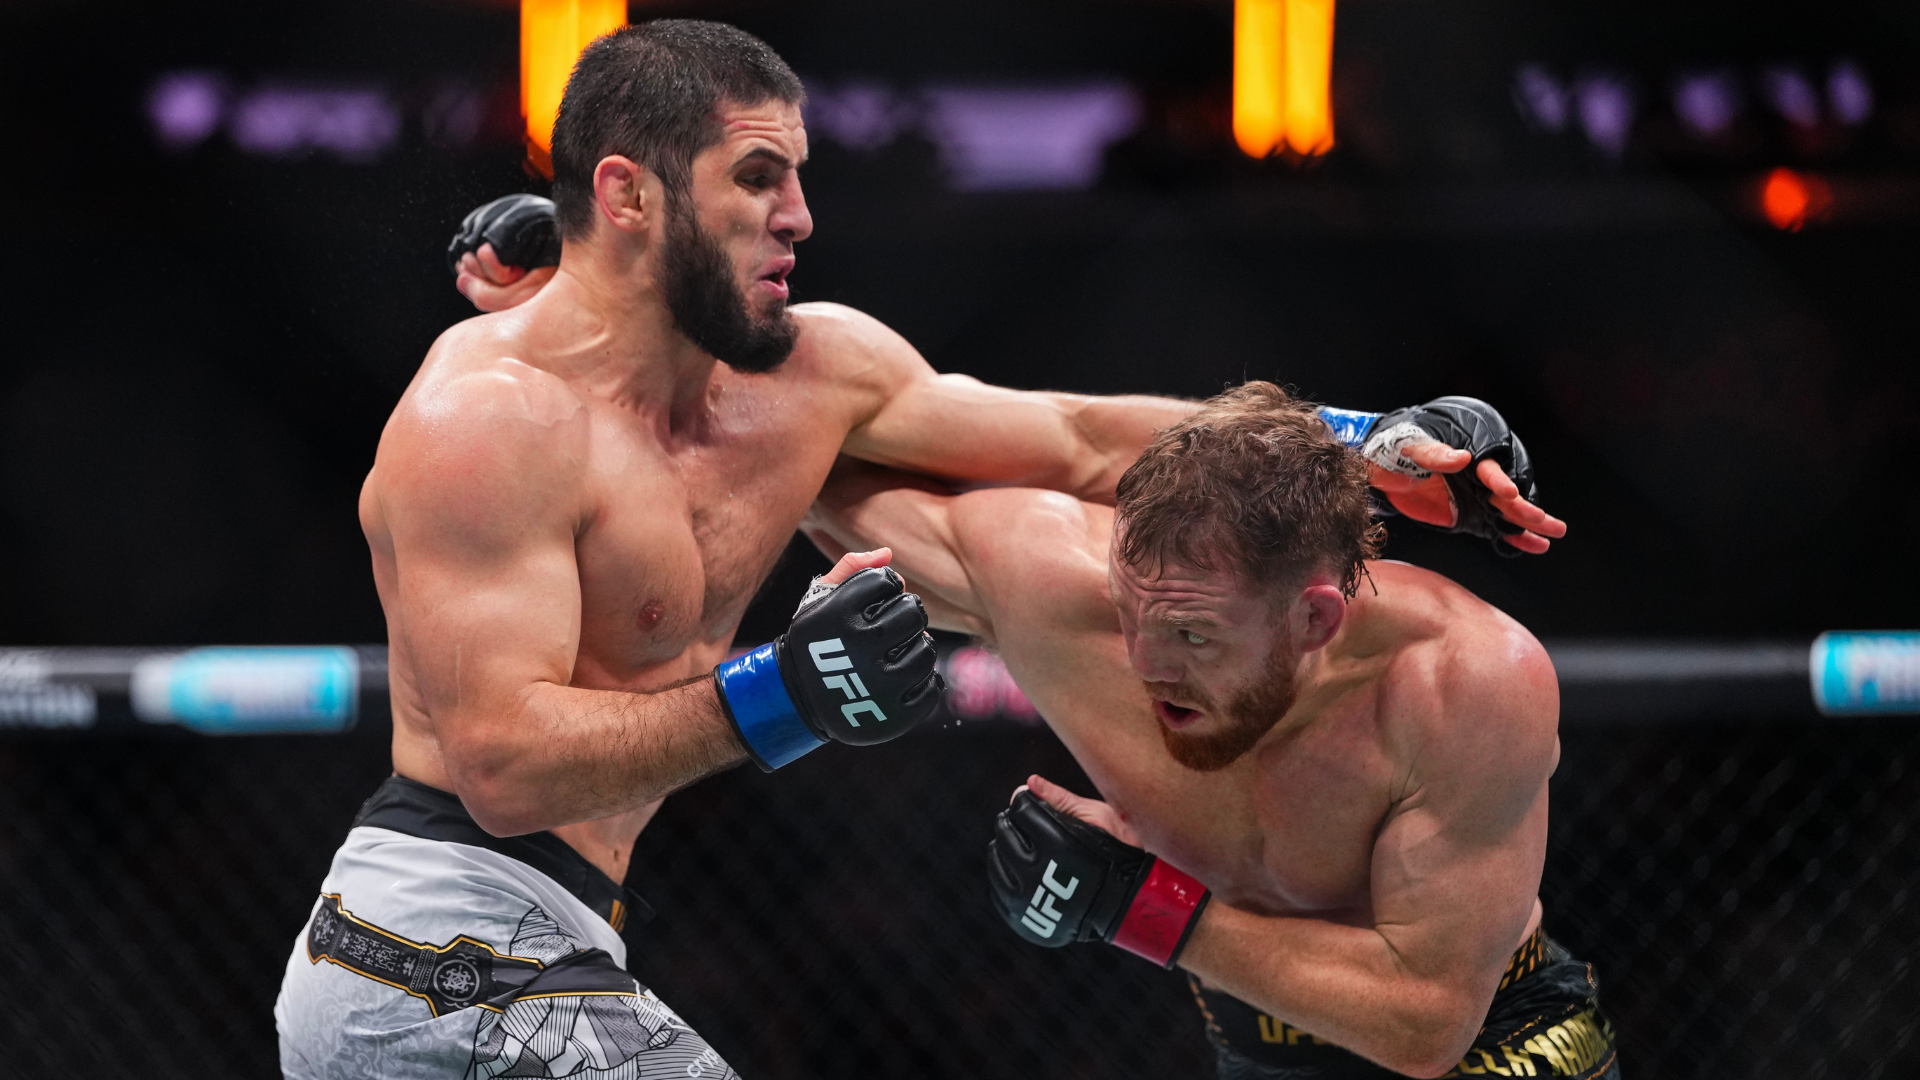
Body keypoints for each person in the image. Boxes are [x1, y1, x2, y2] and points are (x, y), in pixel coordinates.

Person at [275, 18, 1564, 1079]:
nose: (800, 216)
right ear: (627, 194)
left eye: (799, 177)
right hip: (426, 941)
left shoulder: (806, 377)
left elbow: (1073, 437)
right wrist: (788, 694)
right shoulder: (486, 417)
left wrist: (1363, 439)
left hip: (563, 934)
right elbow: (501, 767)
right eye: (757, 177)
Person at [803, 382, 1615, 1079]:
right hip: (1255, 1049)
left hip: (1497, 1045)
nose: (1145, 665)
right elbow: (808, 440)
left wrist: (1133, 903)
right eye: (1129, 614)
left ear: (1313, 619)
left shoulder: (1461, 678)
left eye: (1193, 635)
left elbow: (1425, 1022)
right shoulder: (1050, 583)